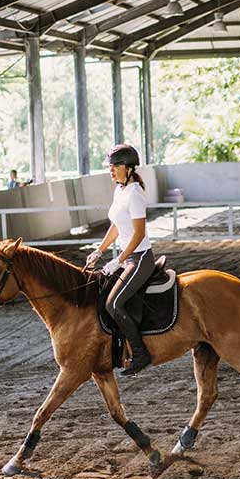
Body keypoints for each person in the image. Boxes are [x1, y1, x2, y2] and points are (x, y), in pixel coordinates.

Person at [86, 144, 156, 376]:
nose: (111, 170)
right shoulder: (120, 191)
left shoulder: (135, 193)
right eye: (110, 166)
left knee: (113, 304)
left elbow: (138, 234)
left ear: (128, 168)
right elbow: (116, 226)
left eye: (116, 166)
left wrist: (119, 260)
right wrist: (99, 251)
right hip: (127, 258)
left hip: (140, 258)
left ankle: (140, 353)